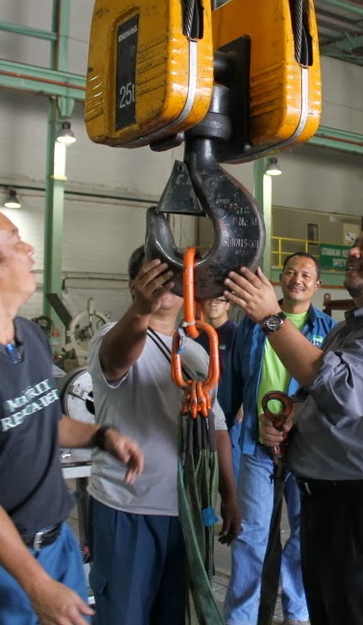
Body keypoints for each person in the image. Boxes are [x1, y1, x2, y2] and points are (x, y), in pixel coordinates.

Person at [0, 196, 144, 625]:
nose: (30, 250)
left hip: (56, 546)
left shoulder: (26, 336)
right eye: (16, 241)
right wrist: (36, 585)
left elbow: (46, 422)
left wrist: (101, 436)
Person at [225, 214, 363, 625]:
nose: (353, 251)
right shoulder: (347, 329)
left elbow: (343, 391)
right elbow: (316, 397)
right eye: (357, 243)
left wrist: (271, 317)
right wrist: (291, 418)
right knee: (329, 609)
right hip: (328, 499)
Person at [86, 246, 241, 624]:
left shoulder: (196, 354)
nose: (166, 285)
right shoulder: (110, 337)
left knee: (170, 615)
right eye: (154, 276)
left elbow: (216, 425)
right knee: (123, 615)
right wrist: (141, 309)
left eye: (174, 277)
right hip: (127, 508)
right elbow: (118, 360)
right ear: (133, 286)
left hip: (182, 513)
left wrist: (229, 493)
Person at [222, 252, 335, 625]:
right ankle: (240, 618)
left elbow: (329, 393)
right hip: (256, 445)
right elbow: (235, 383)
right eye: (290, 271)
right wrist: (229, 428)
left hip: (308, 451)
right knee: (250, 538)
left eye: (306, 274)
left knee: (306, 533)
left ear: (317, 285)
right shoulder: (251, 325)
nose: (297, 279)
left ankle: (297, 612)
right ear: (279, 279)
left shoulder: (329, 330)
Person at [203, 295, 240, 475]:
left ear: (228, 305)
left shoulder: (236, 335)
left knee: (231, 475)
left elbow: (247, 373)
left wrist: (243, 408)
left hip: (230, 415)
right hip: (201, 413)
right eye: (210, 299)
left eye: (219, 300)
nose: (213, 303)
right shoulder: (197, 333)